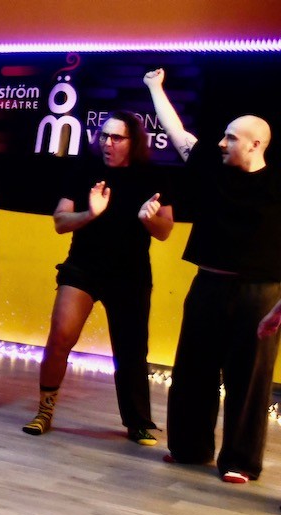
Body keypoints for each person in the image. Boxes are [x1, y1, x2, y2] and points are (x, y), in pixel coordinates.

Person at [145, 67, 281, 483]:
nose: (222, 143)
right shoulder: (211, 166)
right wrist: (155, 88)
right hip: (207, 283)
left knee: (249, 379)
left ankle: (240, 460)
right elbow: (176, 131)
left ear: (255, 144)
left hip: (260, 292)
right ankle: (190, 447)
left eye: (231, 138)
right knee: (192, 369)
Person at [22, 111, 174, 445]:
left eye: (116, 138)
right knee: (60, 337)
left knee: (132, 350)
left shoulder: (152, 175)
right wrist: (90, 213)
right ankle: (44, 411)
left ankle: (138, 422)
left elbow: (165, 230)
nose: (107, 143)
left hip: (130, 274)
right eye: (104, 136)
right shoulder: (84, 170)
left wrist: (148, 219)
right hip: (83, 268)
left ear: (133, 142)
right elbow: (60, 222)